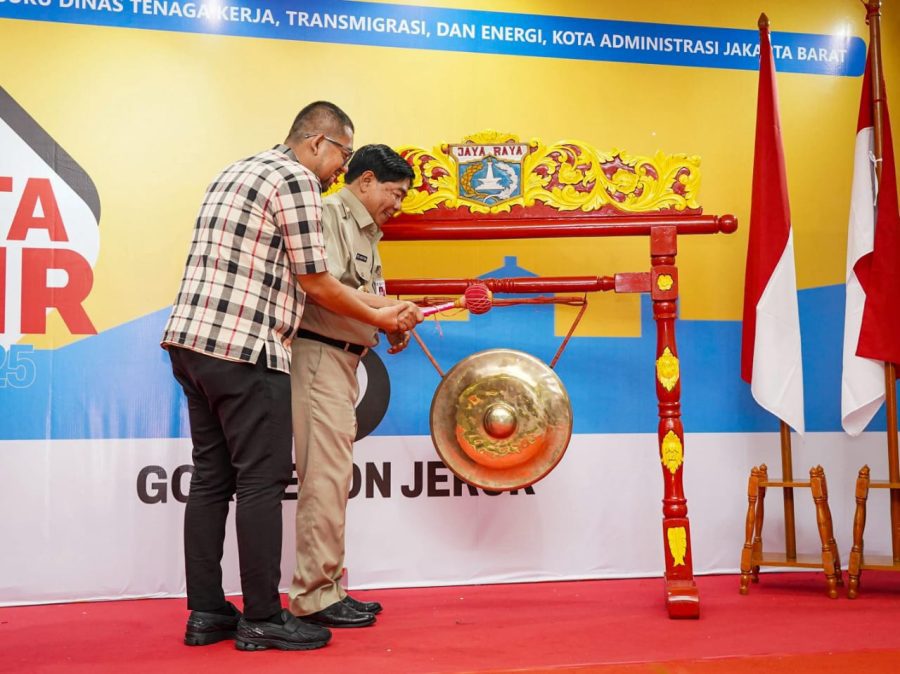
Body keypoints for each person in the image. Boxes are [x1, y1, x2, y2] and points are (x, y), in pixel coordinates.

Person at [161, 104, 422, 652]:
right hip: (246, 347)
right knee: (261, 481)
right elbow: (317, 283)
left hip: (190, 342)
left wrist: (377, 317)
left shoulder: (235, 170)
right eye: (342, 155)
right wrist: (381, 316)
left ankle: (207, 612)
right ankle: (263, 617)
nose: (340, 170)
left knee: (211, 480)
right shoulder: (297, 180)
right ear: (318, 142)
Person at [288, 145, 414, 628]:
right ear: (365, 181)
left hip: (343, 360)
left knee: (333, 478)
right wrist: (387, 312)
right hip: (318, 355)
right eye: (394, 193)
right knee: (324, 479)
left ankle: (329, 587)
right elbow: (324, 289)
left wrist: (387, 320)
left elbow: (362, 297)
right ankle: (315, 596)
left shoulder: (366, 232)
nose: (397, 205)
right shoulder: (327, 215)